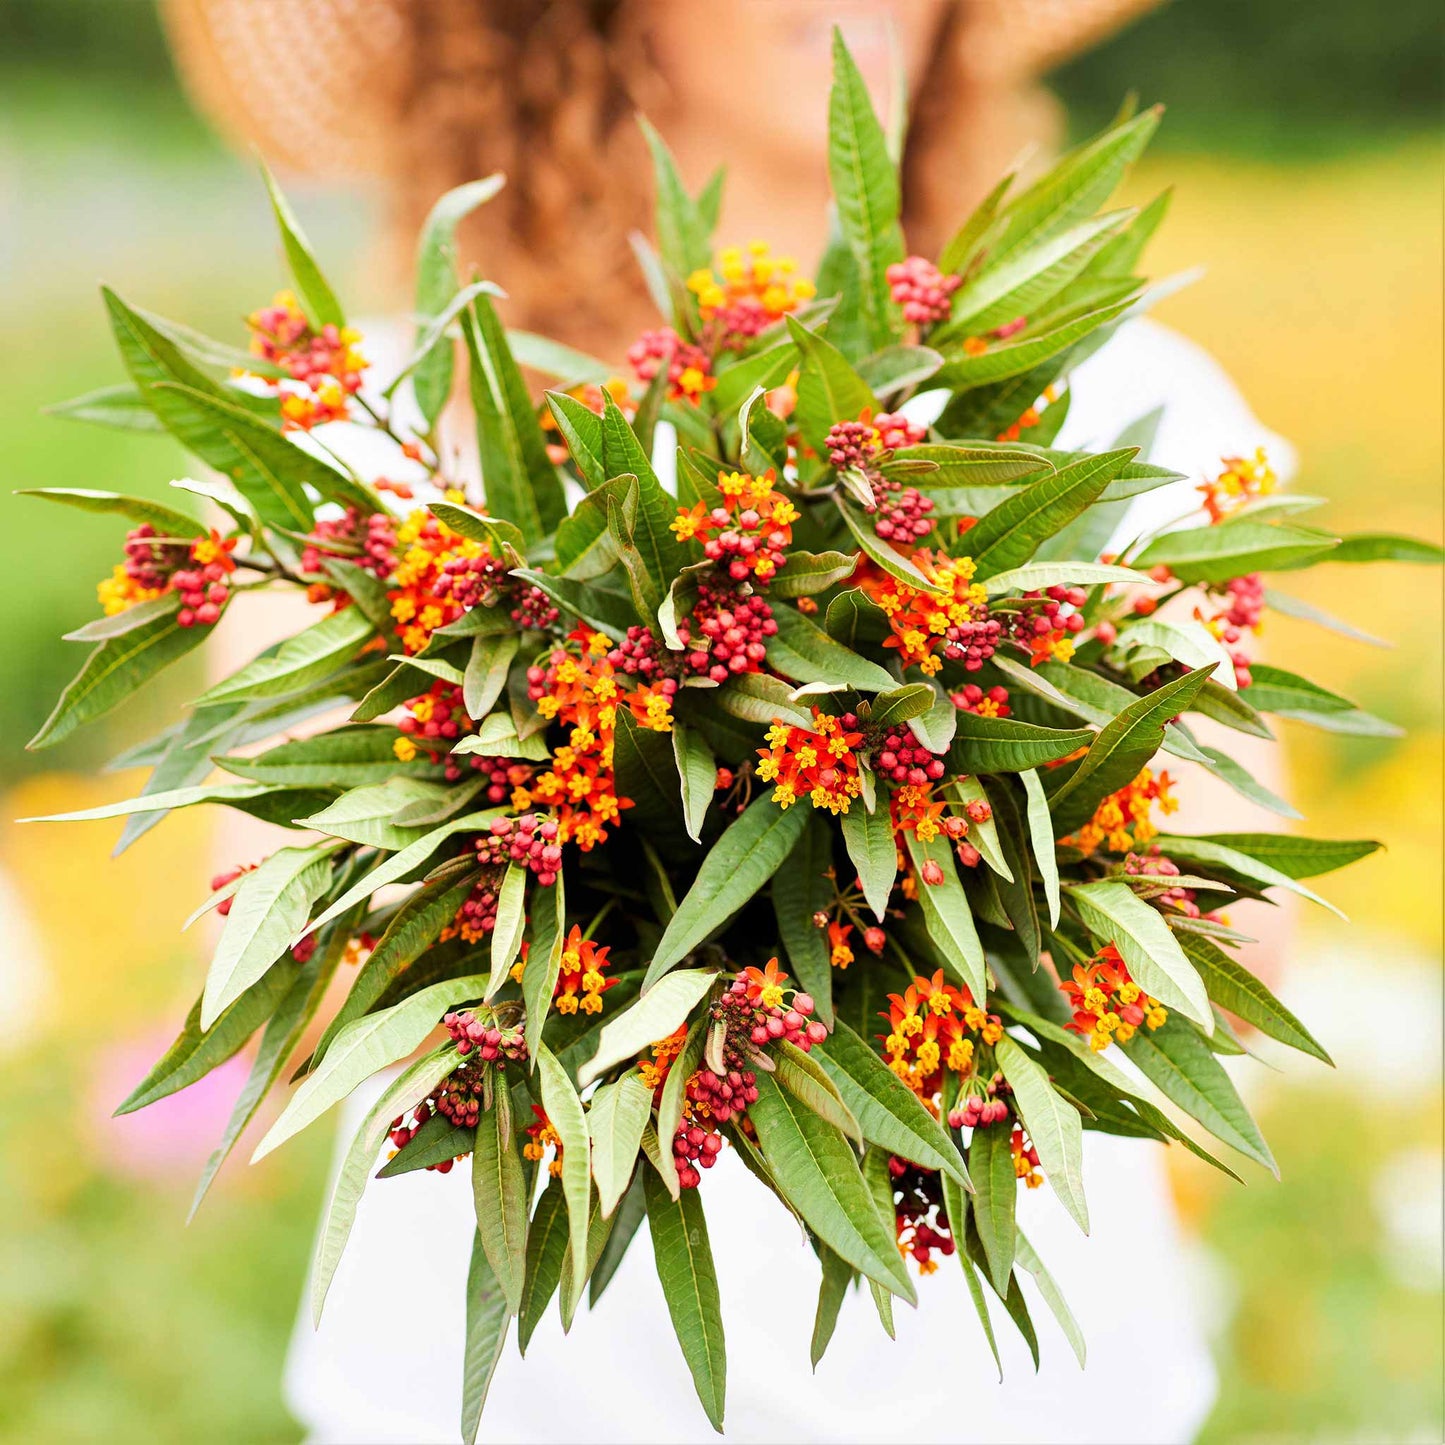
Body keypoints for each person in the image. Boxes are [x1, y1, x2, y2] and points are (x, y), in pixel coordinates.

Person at [161, 3, 1289, 1439]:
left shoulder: (1118, 408)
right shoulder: (370, 434)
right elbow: (263, 958)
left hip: (996, 1398)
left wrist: (1011, 751)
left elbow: (1244, 948)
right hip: (534, 1392)